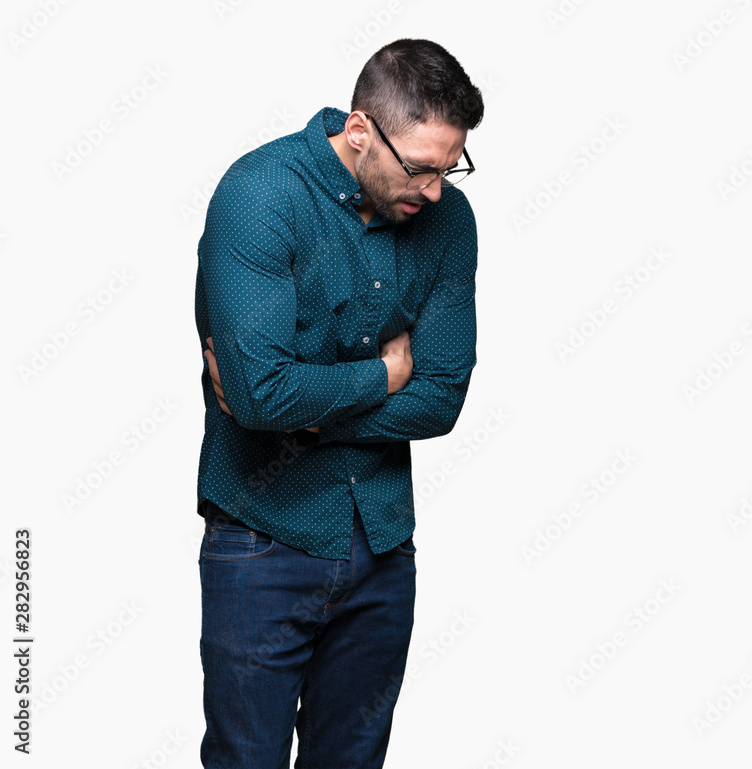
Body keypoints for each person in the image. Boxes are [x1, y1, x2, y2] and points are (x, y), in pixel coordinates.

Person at [193, 38, 484, 768]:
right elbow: (261, 395)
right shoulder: (260, 196)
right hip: (261, 537)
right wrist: (384, 376)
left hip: (383, 545)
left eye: (450, 168)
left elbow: (442, 397)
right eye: (420, 167)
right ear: (360, 131)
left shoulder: (449, 221)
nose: (436, 190)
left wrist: (309, 410)